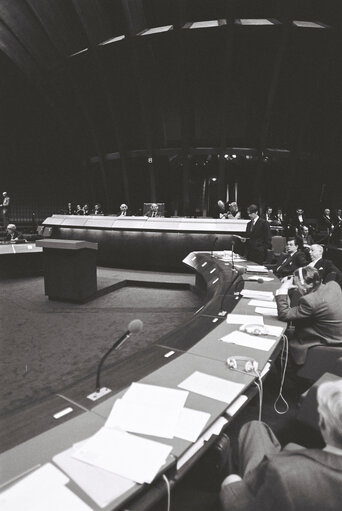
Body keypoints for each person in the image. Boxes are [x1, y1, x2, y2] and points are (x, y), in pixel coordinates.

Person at [220, 379, 342, 511]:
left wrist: (231, 486)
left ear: (323, 424)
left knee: (231, 479)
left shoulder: (282, 471)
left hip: (265, 489)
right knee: (256, 428)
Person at [275, 266, 342, 365]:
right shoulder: (333, 285)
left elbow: (284, 314)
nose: (297, 289)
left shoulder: (310, 301)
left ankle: (288, 375)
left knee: (279, 348)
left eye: (298, 285)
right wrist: (293, 278)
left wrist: (283, 288)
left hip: (325, 342)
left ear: (310, 284)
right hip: (336, 335)